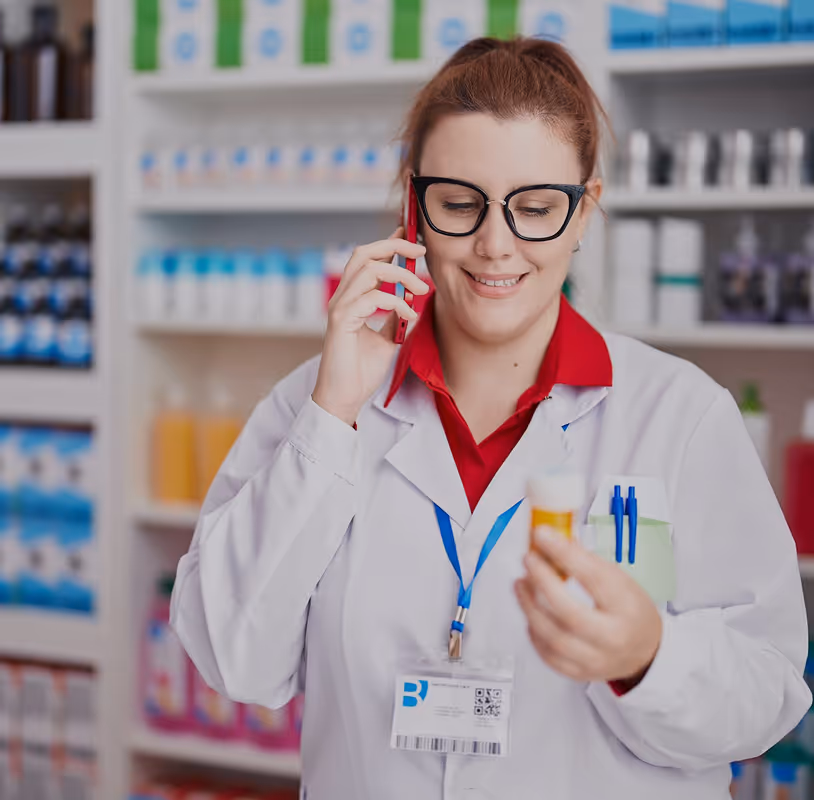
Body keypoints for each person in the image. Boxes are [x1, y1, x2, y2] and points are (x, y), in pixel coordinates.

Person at [171, 37, 810, 799]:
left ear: (584, 212)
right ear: (416, 203)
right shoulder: (317, 404)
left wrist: (651, 657)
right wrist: (332, 414)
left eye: (536, 207)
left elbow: (768, 693)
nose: (495, 243)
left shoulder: (679, 415)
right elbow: (230, 657)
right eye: (459, 203)